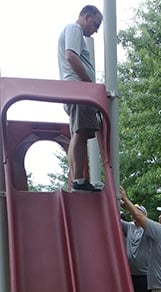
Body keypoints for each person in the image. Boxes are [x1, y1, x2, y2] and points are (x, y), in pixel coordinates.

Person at [58, 5, 103, 192]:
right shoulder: (74, 28)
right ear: (86, 16)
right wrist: (89, 85)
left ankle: (77, 179)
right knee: (81, 132)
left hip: (76, 90)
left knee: (80, 132)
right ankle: (78, 180)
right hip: (79, 90)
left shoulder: (73, 32)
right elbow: (71, 57)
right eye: (96, 23)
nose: (96, 29)